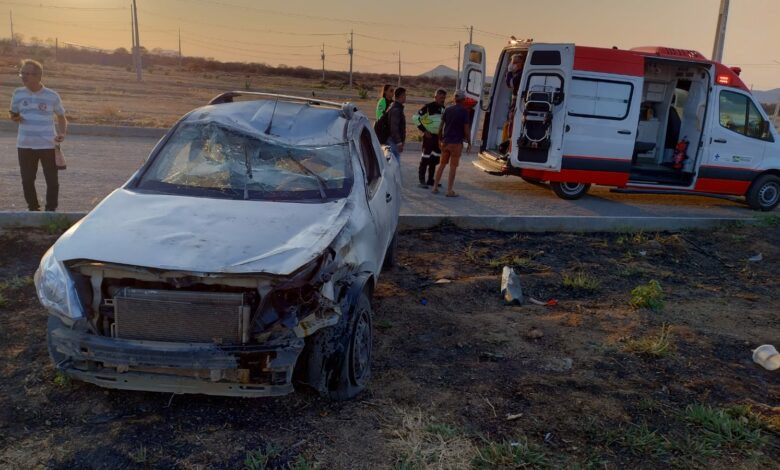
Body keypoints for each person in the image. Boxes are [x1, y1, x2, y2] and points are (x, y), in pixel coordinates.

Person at [10, 59, 67, 212]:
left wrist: (62, 133)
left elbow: (61, 117)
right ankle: (33, 210)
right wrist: (16, 117)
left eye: (28, 73)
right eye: (22, 73)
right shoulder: (18, 93)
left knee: (52, 181)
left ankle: (50, 211)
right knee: (27, 181)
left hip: (48, 145)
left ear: (39, 76)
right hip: (24, 145)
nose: (24, 76)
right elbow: (13, 114)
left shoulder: (52, 96)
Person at [432, 90, 470, 197]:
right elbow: (466, 129)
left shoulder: (447, 109)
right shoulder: (464, 112)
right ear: (463, 100)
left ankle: (435, 187)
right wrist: (469, 142)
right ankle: (449, 190)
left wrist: (440, 139)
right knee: (453, 167)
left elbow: (441, 126)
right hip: (456, 143)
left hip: (446, 142)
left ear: (454, 99)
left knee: (442, 165)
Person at [412, 88, 446, 187]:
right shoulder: (428, 107)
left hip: (438, 138)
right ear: (435, 97)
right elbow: (415, 118)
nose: (442, 99)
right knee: (425, 158)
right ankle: (421, 180)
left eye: (444, 97)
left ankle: (430, 180)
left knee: (435, 159)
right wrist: (424, 130)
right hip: (429, 138)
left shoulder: (443, 108)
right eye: (440, 97)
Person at [386, 87, 406, 162]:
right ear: (401, 96)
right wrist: (399, 142)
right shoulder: (396, 109)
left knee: (392, 163)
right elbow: (394, 128)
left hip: (392, 140)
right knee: (394, 165)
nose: (405, 97)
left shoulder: (394, 106)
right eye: (405, 95)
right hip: (393, 141)